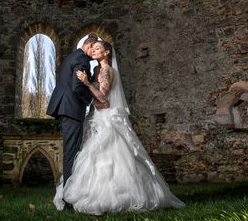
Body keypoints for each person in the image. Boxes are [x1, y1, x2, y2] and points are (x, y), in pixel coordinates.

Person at [53, 39, 185, 215]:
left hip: (106, 118)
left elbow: (102, 96)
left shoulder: (107, 70)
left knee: (110, 155)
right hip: (96, 115)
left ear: (107, 52)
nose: (94, 51)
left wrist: (86, 83)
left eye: (98, 48)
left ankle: (120, 195)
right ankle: (86, 194)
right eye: (93, 48)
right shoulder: (96, 69)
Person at [46, 33, 97, 207]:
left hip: (65, 109)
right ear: (89, 46)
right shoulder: (82, 59)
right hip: (71, 110)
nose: (95, 54)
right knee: (71, 154)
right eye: (95, 49)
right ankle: (68, 199)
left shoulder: (74, 56)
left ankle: (70, 194)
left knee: (71, 152)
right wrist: (91, 100)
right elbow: (77, 87)